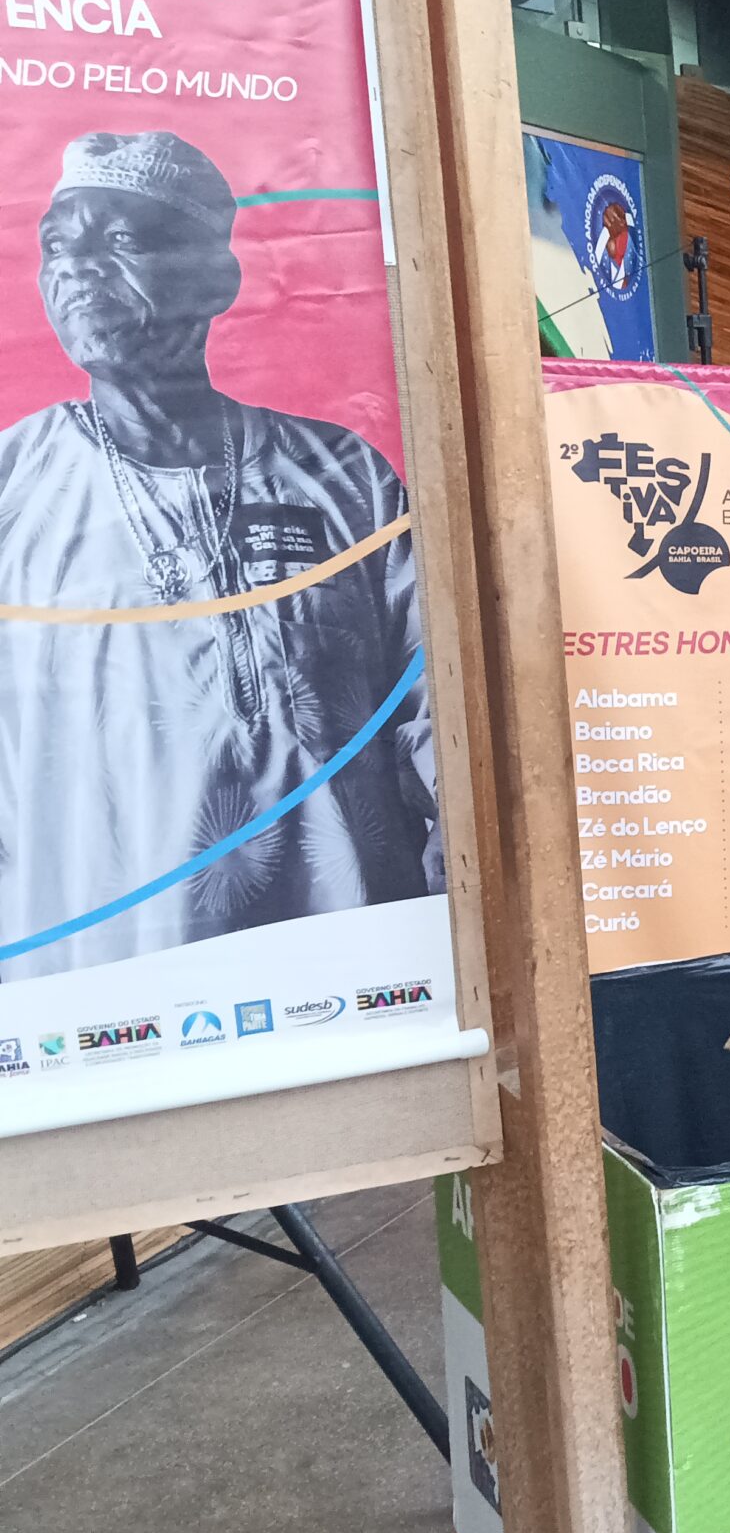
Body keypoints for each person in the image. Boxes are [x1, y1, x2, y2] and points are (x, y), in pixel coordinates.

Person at [0, 130, 439, 979]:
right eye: (58, 245)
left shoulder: (343, 477)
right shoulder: (14, 487)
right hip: (99, 997)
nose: (77, 268)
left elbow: (439, 717)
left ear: (217, 278)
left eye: (121, 239)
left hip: (355, 979)